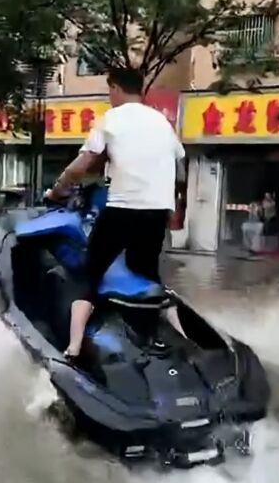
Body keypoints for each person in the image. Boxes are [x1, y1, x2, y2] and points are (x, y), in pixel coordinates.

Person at [46, 67, 184, 359]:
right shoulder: (162, 121)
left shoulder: (112, 118)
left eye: (109, 90)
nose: (109, 97)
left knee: (89, 273)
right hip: (157, 211)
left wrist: (56, 191)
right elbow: (180, 168)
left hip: (123, 209)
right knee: (145, 272)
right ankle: (155, 336)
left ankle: (73, 347)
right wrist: (175, 206)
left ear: (116, 88)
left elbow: (80, 166)